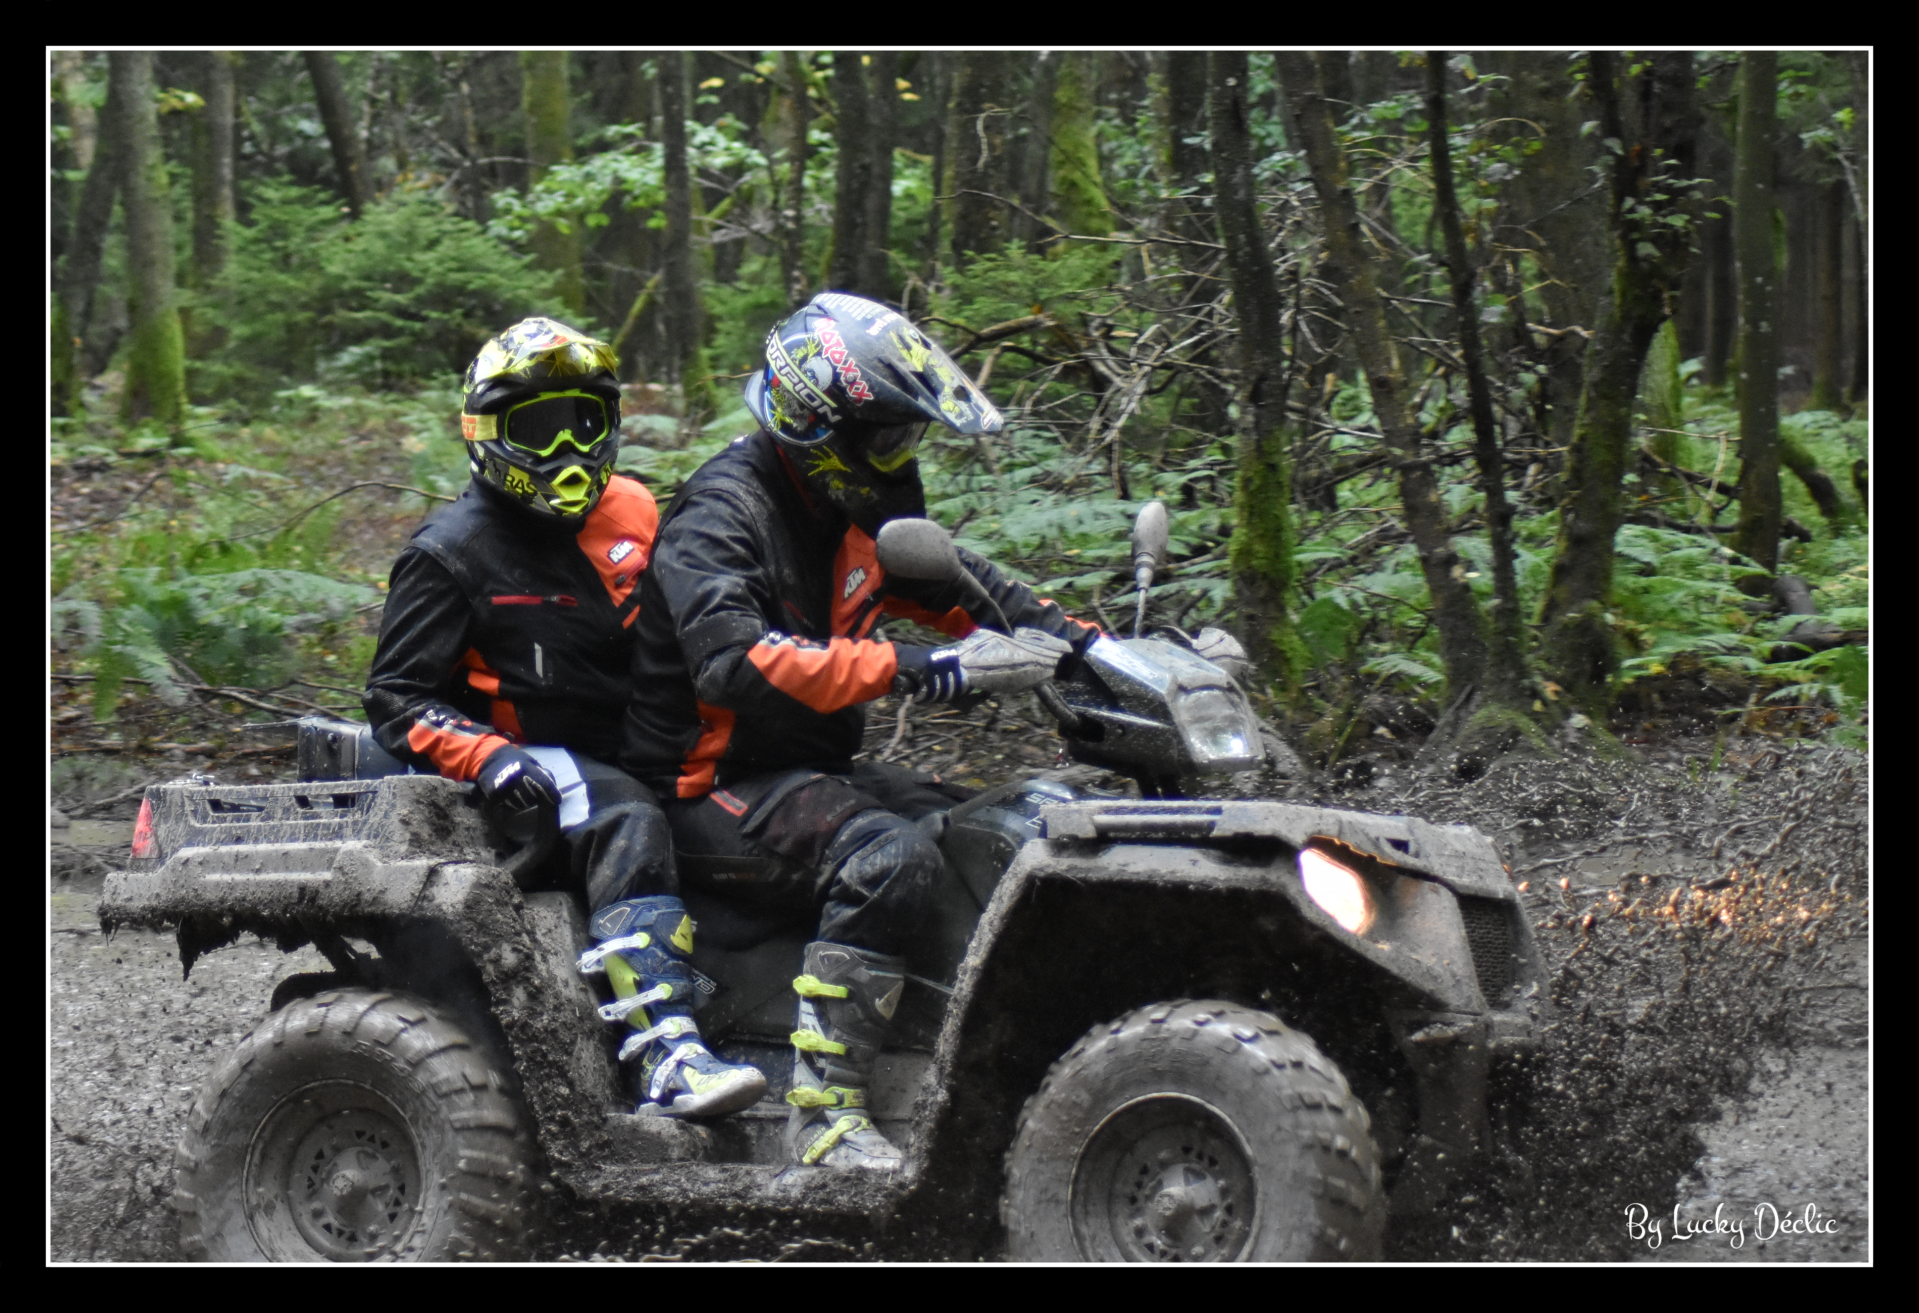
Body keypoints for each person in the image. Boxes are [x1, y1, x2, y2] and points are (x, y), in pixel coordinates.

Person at [619, 293, 1098, 1170]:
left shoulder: (848, 511)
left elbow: (974, 591)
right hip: (702, 785)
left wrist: (1107, 656)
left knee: (1005, 826)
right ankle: (824, 1114)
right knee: (889, 858)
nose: (898, 458)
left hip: (803, 771)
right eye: (885, 439)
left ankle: (981, 1058)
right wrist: (914, 665)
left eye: (904, 439)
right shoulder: (721, 515)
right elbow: (733, 662)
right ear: (817, 426)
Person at [363, 317, 766, 1120]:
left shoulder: (633, 508)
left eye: (583, 423)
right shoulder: (450, 552)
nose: (565, 450)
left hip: (637, 741)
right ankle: (664, 1050)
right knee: (627, 815)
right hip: (521, 760)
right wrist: (486, 756)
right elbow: (395, 697)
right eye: (538, 429)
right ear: (487, 433)